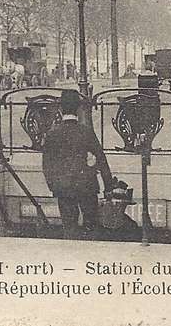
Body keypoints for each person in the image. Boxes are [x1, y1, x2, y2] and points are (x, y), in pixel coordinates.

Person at [42, 89, 115, 239]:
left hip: (63, 187)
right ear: (78, 108)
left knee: (69, 228)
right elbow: (101, 159)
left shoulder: (52, 134)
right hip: (86, 185)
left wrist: (53, 185)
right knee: (91, 228)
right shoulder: (86, 131)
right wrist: (108, 187)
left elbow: (47, 165)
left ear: (61, 108)